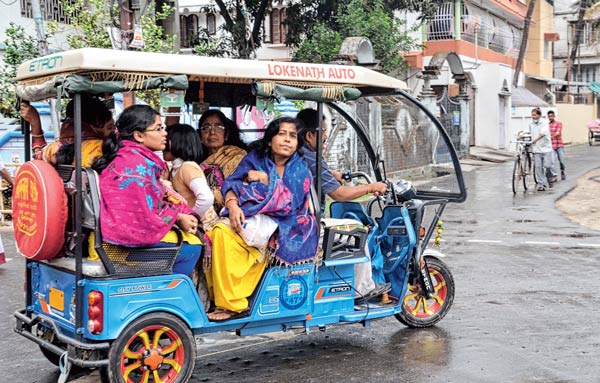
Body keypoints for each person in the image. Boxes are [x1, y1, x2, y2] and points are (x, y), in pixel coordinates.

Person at [206, 116, 318, 321]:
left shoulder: (300, 169)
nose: (287, 140)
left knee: (226, 234)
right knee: (216, 233)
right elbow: (232, 182)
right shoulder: (254, 158)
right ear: (269, 140)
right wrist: (232, 205)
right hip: (248, 215)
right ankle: (221, 299)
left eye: (292, 136)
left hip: (287, 225)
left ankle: (234, 304)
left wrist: (266, 179)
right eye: (281, 134)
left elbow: (288, 205)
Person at [93, 105, 201, 275]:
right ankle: (166, 292)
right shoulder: (137, 166)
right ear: (139, 135)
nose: (165, 133)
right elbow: (143, 217)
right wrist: (178, 217)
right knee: (193, 247)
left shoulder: (126, 157)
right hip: (123, 245)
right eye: (158, 129)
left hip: (109, 237)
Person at [297, 108, 389, 302]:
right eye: (322, 132)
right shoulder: (313, 159)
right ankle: (362, 289)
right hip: (309, 223)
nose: (325, 137)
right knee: (358, 232)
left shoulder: (302, 154)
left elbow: (320, 173)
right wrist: (371, 187)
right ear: (309, 135)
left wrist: (332, 174)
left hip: (302, 220)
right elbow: (339, 194)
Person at [20, 96, 114, 167]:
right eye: (110, 127)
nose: (114, 131)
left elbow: (39, 155)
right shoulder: (103, 148)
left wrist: (35, 124)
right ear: (97, 124)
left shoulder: (55, 148)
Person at [164, 124, 219, 231]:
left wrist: (192, 216)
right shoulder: (175, 169)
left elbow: (206, 198)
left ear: (172, 143)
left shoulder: (187, 167)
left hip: (205, 228)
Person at [197, 110, 248, 212]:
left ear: (226, 135)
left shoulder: (237, 156)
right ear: (200, 135)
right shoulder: (195, 159)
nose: (212, 132)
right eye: (206, 128)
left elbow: (237, 188)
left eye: (218, 127)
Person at [529, 108, 555, 191]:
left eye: (535, 115)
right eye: (532, 115)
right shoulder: (531, 124)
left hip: (546, 148)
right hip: (536, 149)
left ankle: (550, 178)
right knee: (538, 167)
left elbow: (542, 134)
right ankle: (541, 184)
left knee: (547, 166)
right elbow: (531, 133)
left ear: (539, 115)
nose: (533, 116)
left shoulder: (544, 123)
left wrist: (534, 141)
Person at [548, 110, 566, 181]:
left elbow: (558, 133)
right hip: (551, 146)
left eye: (551, 116)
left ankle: (562, 171)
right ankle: (554, 175)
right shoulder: (547, 125)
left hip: (559, 145)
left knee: (561, 160)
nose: (550, 117)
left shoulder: (559, 123)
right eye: (549, 116)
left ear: (554, 116)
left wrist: (550, 137)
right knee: (552, 161)